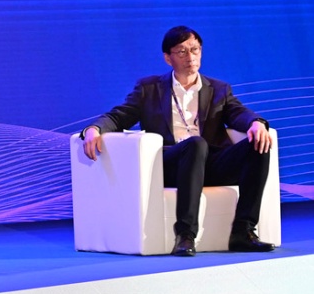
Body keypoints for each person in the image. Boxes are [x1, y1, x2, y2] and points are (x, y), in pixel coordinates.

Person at [81, 26, 275, 256]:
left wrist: (256, 123)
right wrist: (94, 129)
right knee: (195, 144)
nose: (190, 57)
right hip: (171, 165)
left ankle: (244, 231)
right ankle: (185, 234)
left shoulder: (219, 89)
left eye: (195, 49)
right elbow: (118, 116)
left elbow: (238, 113)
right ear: (168, 58)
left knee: (258, 144)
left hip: (210, 164)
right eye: (182, 51)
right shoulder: (149, 89)